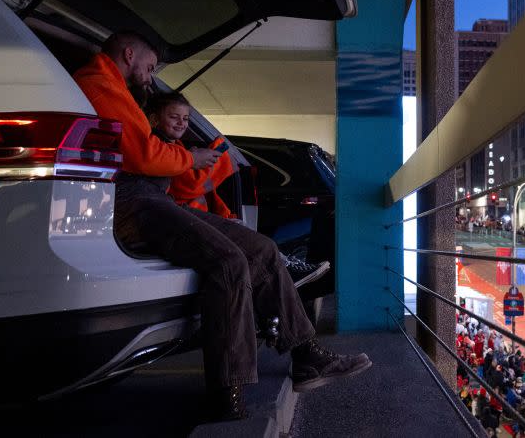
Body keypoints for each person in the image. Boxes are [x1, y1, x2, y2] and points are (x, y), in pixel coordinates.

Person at [72, 32, 371, 421]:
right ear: (128, 54)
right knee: (229, 262)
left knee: (261, 249)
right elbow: (143, 154)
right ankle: (225, 391)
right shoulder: (99, 83)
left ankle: (306, 355)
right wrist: (190, 158)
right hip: (130, 201)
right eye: (147, 66)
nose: (149, 75)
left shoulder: (115, 88)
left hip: (151, 199)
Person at [144, 91, 330, 287]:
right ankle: (284, 271)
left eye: (185, 118)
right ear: (154, 119)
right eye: (174, 117)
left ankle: (285, 268)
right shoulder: (161, 150)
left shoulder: (177, 147)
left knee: (250, 240)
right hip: (184, 222)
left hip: (192, 220)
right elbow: (190, 185)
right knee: (248, 245)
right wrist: (213, 155)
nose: (181, 123)